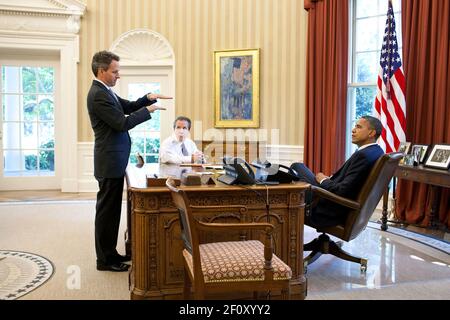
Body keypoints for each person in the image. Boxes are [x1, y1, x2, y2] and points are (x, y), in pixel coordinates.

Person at [87, 50, 172, 272]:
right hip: (109, 162)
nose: (119, 75)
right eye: (115, 71)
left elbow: (127, 106)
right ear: (101, 70)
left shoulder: (107, 91)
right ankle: (105, 260)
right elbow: (121, 123)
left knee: (112, 211)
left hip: (114, 161)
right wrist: (149, 110)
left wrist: (147, 98)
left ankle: (111, 253)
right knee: (107, 212)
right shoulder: (98, 94)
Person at [291, 115, 384, 228]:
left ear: (371, 133)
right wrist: (331, 179)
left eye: (359, 127)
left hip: (330, 207)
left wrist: (323, 180)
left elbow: (342, 191)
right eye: (355, 126)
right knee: (298, 169)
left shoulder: (363, 155)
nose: (353, 130)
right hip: (335, 200)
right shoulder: (376, 151)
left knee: (296, 167)